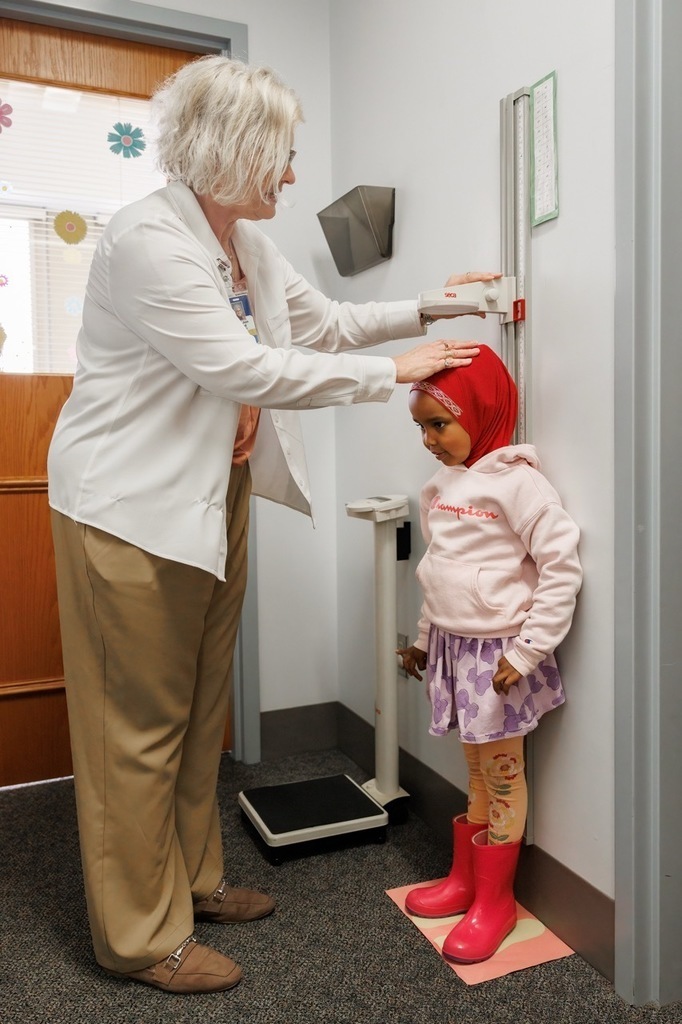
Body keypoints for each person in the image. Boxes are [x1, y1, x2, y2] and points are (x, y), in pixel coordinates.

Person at [47, 53, 496, 995]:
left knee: (200, 705)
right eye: (282, 156)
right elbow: (245, 372)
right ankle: (139, 938)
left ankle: (194, 884)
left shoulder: (243, 242)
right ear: (232, 150)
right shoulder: (146, 242)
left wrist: (434, 305)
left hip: (211, 497)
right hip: (129, 511)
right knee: (137, 728)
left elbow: (322, 322)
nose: (293, 173)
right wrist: (400, 374)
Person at [397, 344, 582, 965]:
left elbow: (561, 567)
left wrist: (529, 651)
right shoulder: (442, 483)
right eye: (421, 425)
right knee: (475, 771)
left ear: (483, 410)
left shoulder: (518, 483)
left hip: (498, 657)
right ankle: (468, 882)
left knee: (502, 776)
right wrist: (425, 638)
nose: (428, 439)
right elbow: (438, 571)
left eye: (439, 424)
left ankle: (495, 903)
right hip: (454, 648)